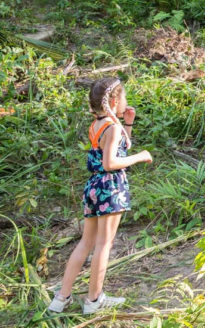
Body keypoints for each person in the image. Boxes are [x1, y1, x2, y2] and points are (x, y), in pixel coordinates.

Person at [48, 77, 153, 315]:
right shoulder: (112, 127)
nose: (126, 101)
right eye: (124, 97)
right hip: (110, 187)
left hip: (93, 187)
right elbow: (111, 162)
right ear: (114, 101)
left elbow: (114, 147)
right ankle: (93, 300)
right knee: (103, 245)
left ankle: (60, 299)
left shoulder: (98, 124)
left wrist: (128, 125)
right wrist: (140, 156)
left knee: (86, 243)